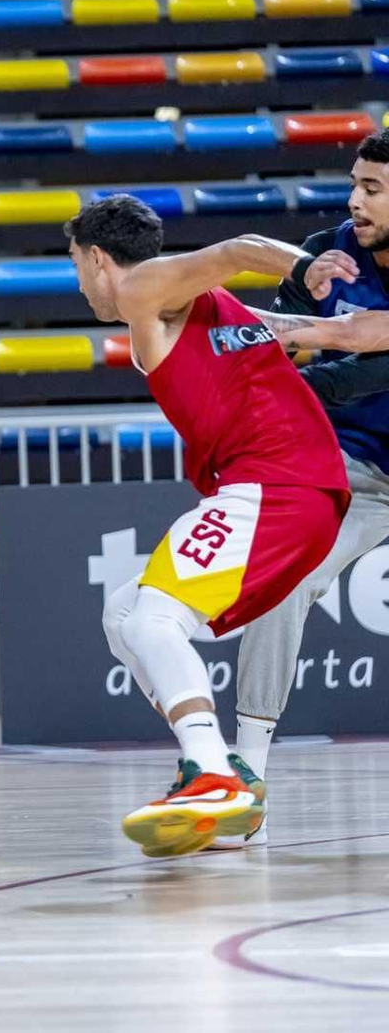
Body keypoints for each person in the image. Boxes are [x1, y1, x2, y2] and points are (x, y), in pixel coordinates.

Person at [67, 195, 389, 857]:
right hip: (304, 485)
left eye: (77, 266)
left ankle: (216, 772)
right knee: (122, 613)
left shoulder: (140, 288)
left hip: (277, 484)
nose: (79, 283)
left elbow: (238, 248)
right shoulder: (237, 318)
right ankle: (216, 771)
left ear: (100, 258)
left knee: (154, 615)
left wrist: (309, 265)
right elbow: (320, 329)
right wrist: (314, 301)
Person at [222, 128, 389, 848]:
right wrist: (293, 300)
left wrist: (291, 355)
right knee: (284, 577)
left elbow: (361, 369)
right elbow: (274, 340)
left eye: (373, 189)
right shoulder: (331, 252)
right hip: (356, 470)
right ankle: (245, 777)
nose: (355, 198)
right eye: (355, 182)